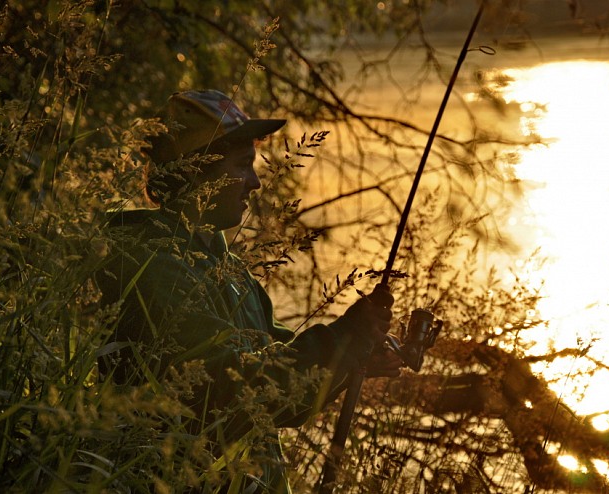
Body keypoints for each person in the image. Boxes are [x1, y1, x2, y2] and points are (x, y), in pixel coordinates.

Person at [97, 89, 402, 493]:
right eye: (243, 166)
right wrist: (342, 339)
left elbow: (285, 395)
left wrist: (353, 355)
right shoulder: (151, 267)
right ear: (195, 170)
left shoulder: (231, 272)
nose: (256, 183)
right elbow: (229, 389)